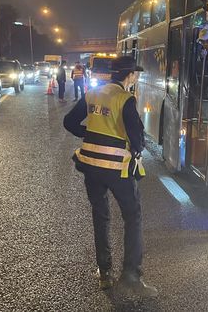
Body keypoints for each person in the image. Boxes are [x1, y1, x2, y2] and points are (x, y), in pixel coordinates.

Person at [63, 56, 157, 296]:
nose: (136, 77)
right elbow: (137, 138)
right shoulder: (125, 98)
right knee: (132, 217)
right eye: (135, 74)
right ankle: (132, 276)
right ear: (130, 76)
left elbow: (69, 122)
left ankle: (104, 273)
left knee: (100, 215)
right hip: (117, 169)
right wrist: (135, 148)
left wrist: (91, 134)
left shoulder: (94, 94)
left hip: (91, 166)